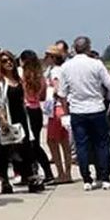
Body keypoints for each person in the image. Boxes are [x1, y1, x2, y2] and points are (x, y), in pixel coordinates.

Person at [60, 36, 110, 191]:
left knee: (81, 145)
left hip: (78, 110)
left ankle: (86, 179)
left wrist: (66, 112)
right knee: (102, 144)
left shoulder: (66, 67)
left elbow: (62, 93)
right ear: (88, 48)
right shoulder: (96, 64)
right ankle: (105, 178)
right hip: (96, 108)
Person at [0, 50, 43, 194]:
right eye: (4, 61)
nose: (8, 63)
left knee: (26, 147)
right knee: (4, 150)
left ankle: (30, 176)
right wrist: (2, 119)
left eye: (10, 60)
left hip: (21, 117)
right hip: (7, 118)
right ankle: (5, 180)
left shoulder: (19, 79)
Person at [19, 50, 55, 182]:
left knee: (29, 144)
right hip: (36, 111)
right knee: (35, 142)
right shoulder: (40, 77)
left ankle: (36, 171)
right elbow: (43, 96)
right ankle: (44, 171)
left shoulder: (22, 76)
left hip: (26, 110)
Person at [44, 45, 73, 184]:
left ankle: (61, 172)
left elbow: (58, 90)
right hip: (62, 108)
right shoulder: (62, 69)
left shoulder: (55, 71)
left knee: (52, 141)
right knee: (64, 142)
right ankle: (67, 172)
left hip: (56, 109)